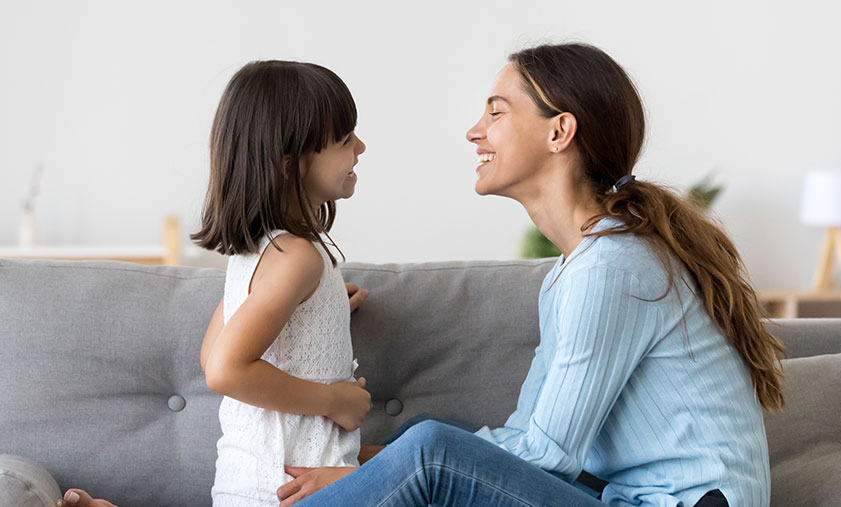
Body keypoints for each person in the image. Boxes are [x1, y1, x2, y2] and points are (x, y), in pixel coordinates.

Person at [275, 43, 785, 507]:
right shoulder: (576, 267)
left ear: (559, 132)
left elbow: (547, 452)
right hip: (626, 498)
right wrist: (371, 465)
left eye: (496, 111)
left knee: (430, 450)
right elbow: (528, 433)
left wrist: (362, 472)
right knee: (432, 432)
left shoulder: (611, 266)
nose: (475, 131)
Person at [55, 60, 373, 507]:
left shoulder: (260, 252)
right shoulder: (297, 258)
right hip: (288, 488)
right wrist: (332, 401)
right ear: (290, 166)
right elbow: (225, 369)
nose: (360, 146)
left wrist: (327, 310)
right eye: (344, 140)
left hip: (256, 480)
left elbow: (214, 352)